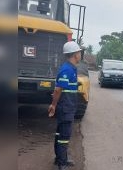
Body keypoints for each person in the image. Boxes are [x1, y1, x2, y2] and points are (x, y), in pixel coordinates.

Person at [48, 41, 82, 170]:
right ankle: (62, 164)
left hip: (67, 107)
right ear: (74, 54)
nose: (80, 54)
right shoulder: (67, 69)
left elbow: (63, 87)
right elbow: (58, 89)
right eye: (79, 52)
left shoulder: (70, 68)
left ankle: (59, 159)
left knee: (59, 134)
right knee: (64, 136)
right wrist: (53, 105)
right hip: (66, 108)